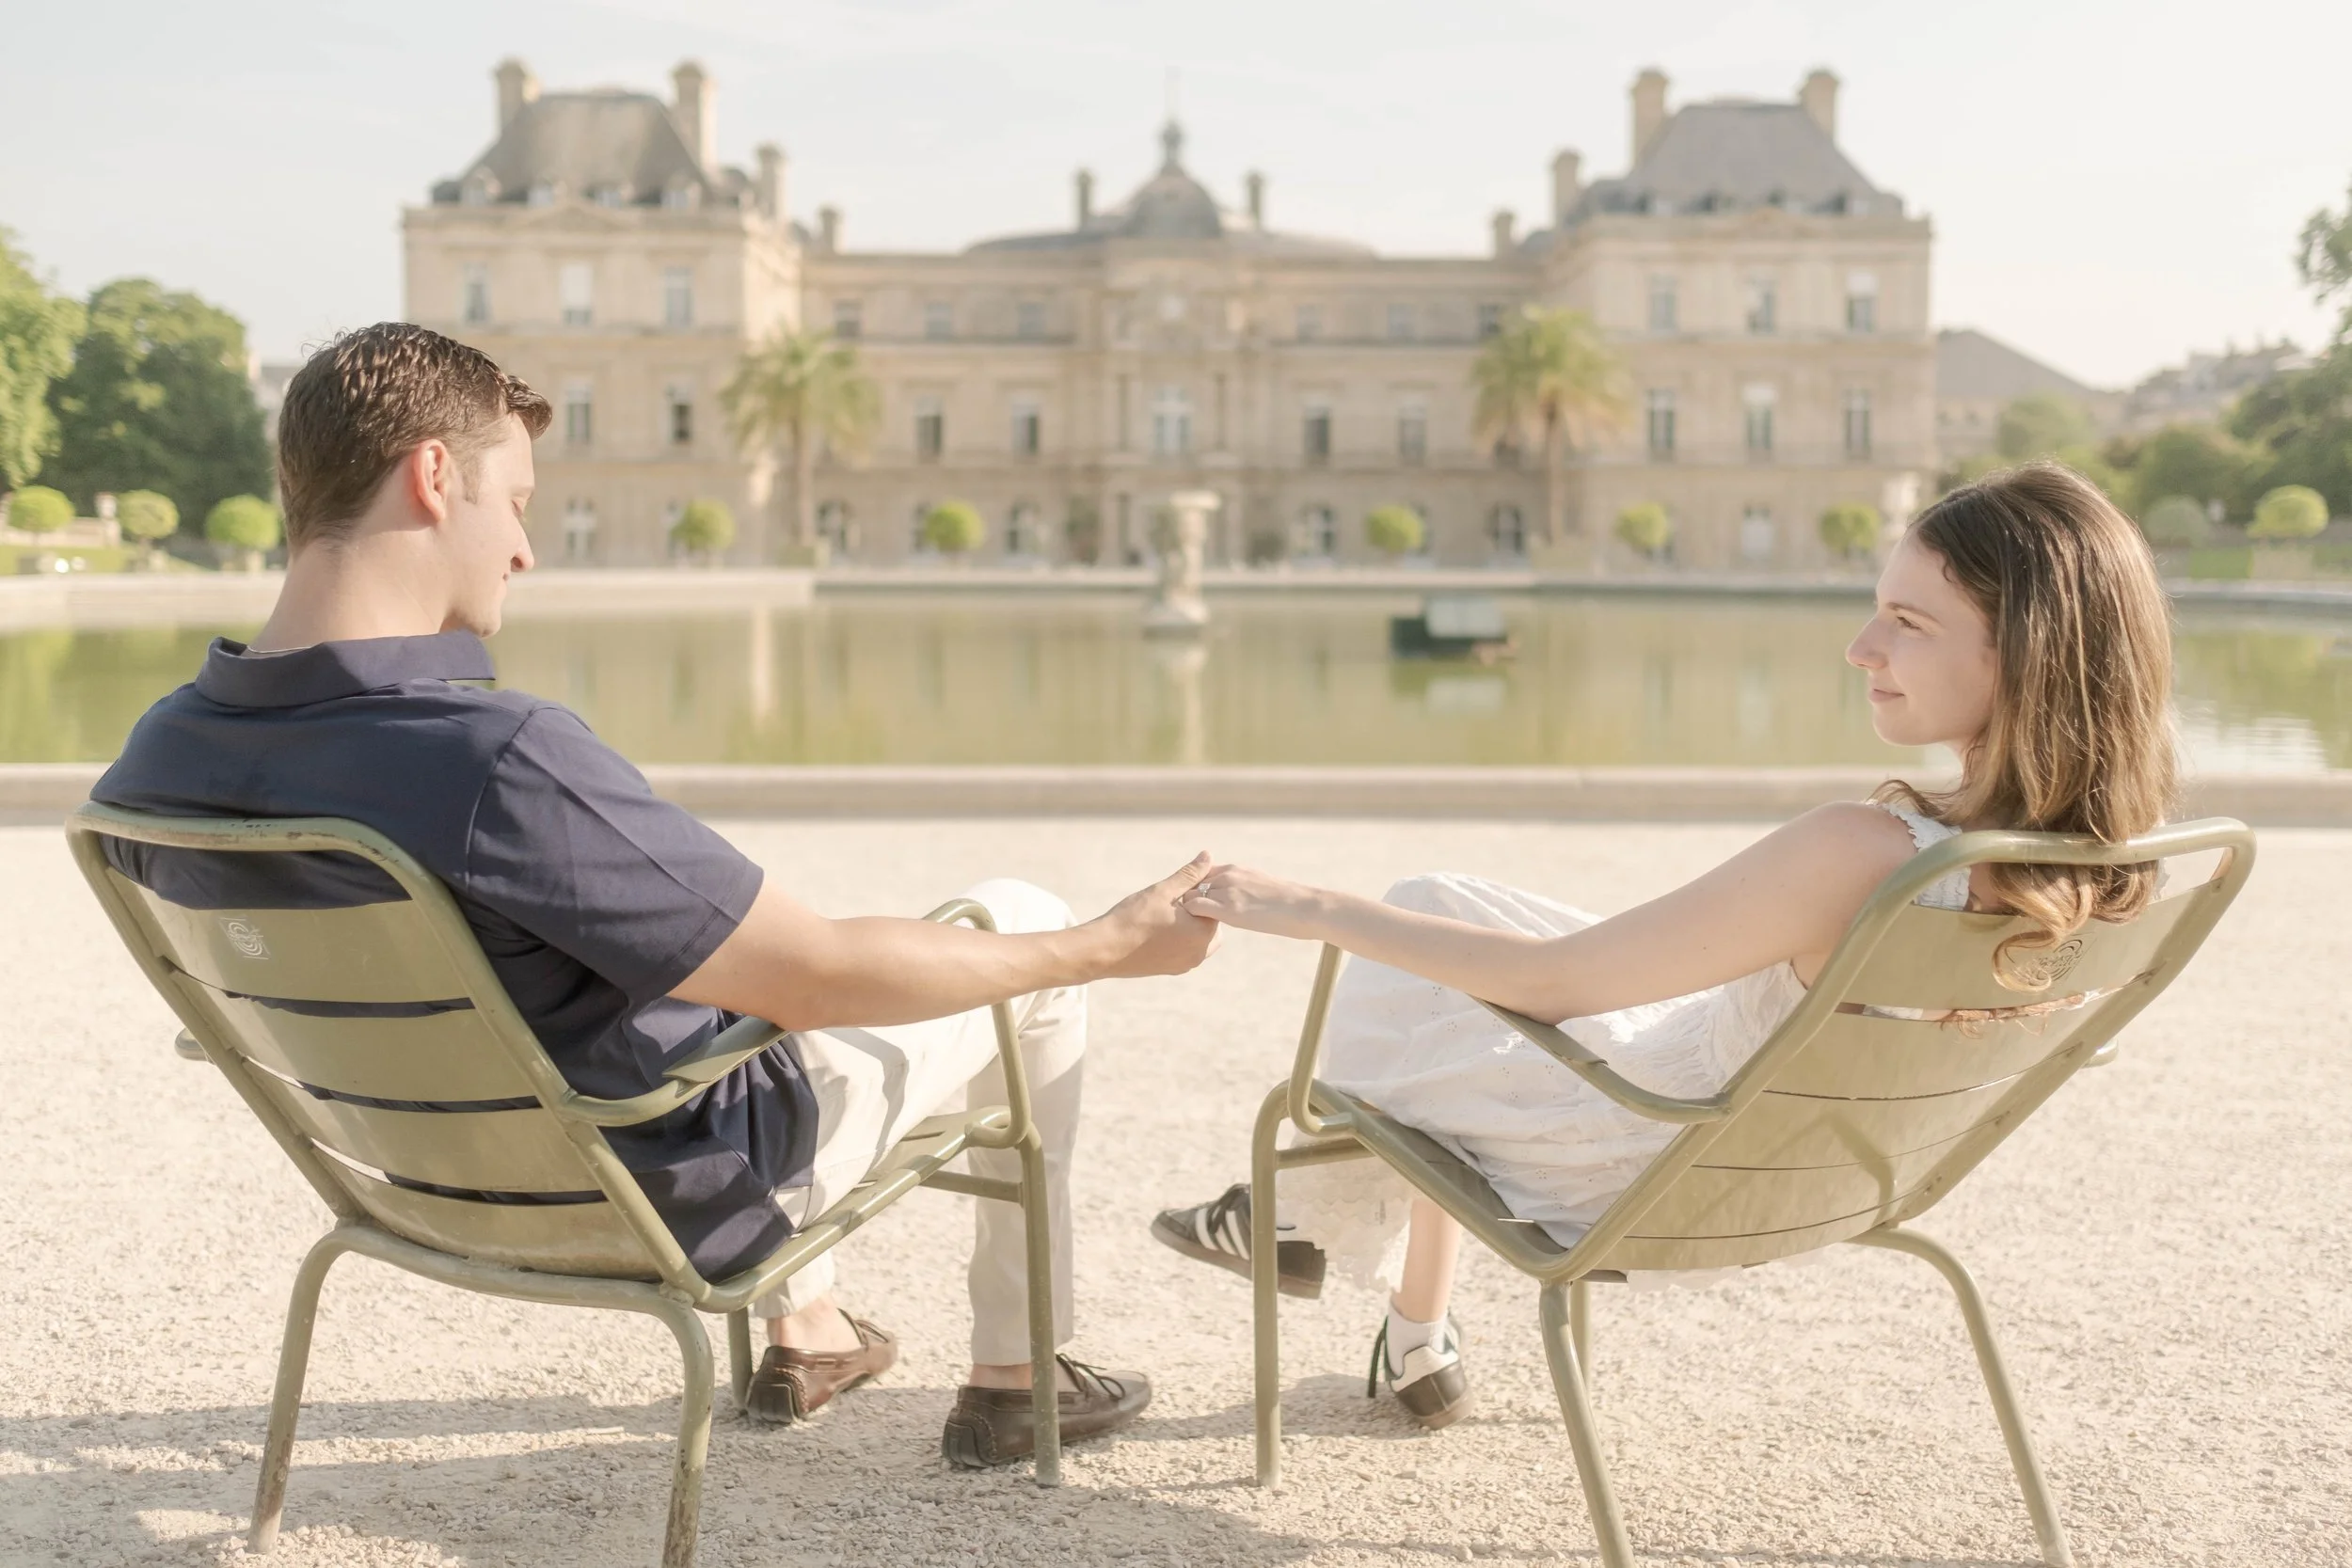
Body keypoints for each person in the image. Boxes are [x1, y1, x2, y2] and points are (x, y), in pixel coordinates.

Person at [91, 323, 1221, 1467]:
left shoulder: (154, 761)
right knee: (1023, 920)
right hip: (662, 1186)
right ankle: (1019, 1374)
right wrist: (1108, 942)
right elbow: (819, 978)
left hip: (406, 1179)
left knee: (724, 954)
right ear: (434, 477)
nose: (525, 549)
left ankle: (814, 1326)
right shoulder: (493, 757)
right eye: (517, 501)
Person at [1151, 463, 2176, 1430]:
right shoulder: (2116, 868)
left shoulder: (1866, 853)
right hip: (1829, 1168)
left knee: (1402, 955)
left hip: (1652, 1156)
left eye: (1906, 623)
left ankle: (1304, 1218)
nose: (1861, 646)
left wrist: (1309, 904)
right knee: (1438, 903)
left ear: (2029, 652)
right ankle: (1410, 1330)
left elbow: (1552, 987)